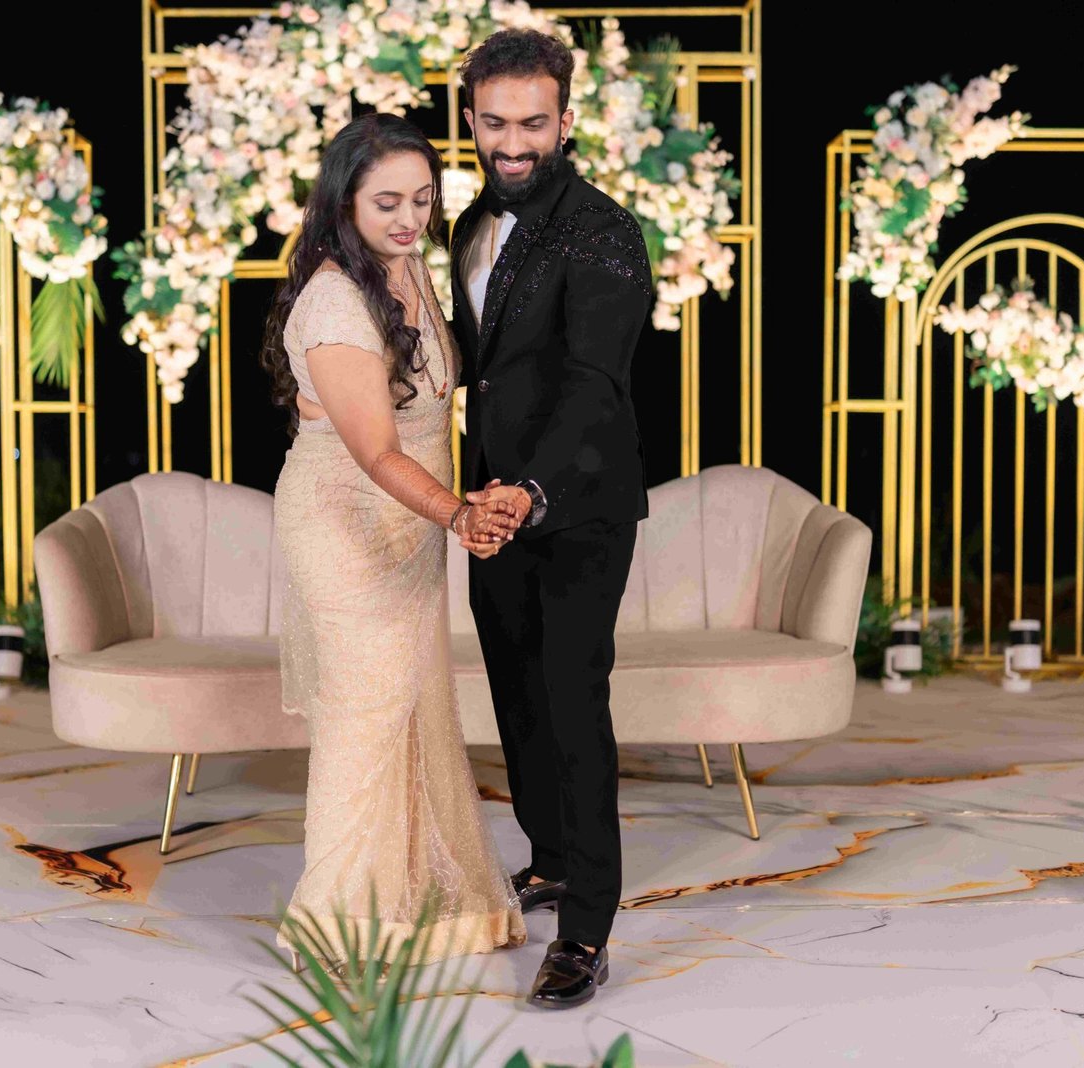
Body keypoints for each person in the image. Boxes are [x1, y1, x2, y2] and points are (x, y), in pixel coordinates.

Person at [261, 112, 527, 969]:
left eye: (422, 198)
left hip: (408, 522)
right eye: (387, 203)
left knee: (413, 706)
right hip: (345, 520)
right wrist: (458, 515)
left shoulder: (406, 268)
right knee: (363, 714)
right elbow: (376, 451)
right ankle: (331, 927)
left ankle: (413, 909)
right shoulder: (337, 302)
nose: (410, 218)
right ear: (344, 203)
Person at [450, 28, 652, 1009]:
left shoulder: (605, 229)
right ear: (471, 120)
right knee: (516, 690)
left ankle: (587, 929)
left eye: (533, 123)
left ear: (565, 121)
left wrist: (530, 489)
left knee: (572, 700)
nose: (513, 142)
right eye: (495, 123)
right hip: (491, 504)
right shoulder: (466, 225)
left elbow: (592, 383)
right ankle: (552, 857)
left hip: (577, 505)